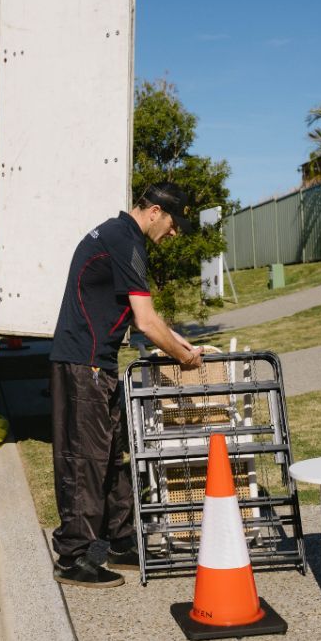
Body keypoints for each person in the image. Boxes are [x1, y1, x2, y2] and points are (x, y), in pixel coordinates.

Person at [48, 182, 204, 588]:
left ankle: (117, 541)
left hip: (96, 363)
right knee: (86, 460)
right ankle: (74, 557)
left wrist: (177, 340)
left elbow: (134, 316)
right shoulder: (126, 241)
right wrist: (183, 357)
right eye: (173, 223)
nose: (174, 233)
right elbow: (146, 321)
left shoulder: (118, 235)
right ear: (154, 211)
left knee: (113, 454)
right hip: (85, 366)